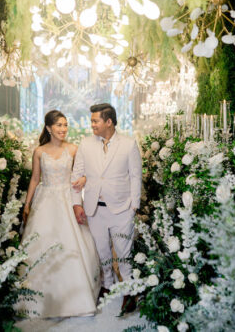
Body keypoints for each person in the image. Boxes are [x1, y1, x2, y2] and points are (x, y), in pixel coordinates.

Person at [18, 110, 101, 318]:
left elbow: (86, 174)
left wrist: (82, 180)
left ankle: (77, 299)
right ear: (48, 128)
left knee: (71, 245)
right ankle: (40, 299)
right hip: (45, 202)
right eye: (59, 125)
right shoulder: (39, 151)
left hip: (68, 198)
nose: (63, 129)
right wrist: (27, 205)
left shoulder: (73, 149)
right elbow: (35, 179)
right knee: (43, 244)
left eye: (65, 125)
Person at [71, 103, 142, 313]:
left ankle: (129, 291)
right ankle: (107, 285)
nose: (92, 124)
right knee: (101, 251)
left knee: (123, 252)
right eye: (92, 120)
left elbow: (135, 176)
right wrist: (77, 203)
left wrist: (134, 207)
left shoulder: (129, 145)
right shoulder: (85, 144)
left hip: (122, 209)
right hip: (94, 209)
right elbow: (76, 176)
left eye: (95, 120)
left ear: (108, 121)